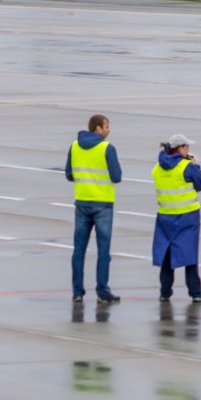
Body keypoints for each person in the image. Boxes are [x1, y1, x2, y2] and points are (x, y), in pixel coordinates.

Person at [66, 113, 122, 304]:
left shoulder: (74, 146)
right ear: (97, 128)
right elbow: (116, 176)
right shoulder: (107, 148)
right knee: (103, 251)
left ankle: (77, 292)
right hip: (103, 204)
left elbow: (69, 174)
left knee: (79, 250)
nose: (108, 129)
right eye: (106, 126)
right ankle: (102, 291)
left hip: (82, 202)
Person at [152, 134, 201, 301]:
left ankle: (165, 291)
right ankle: (195, 293)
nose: (189, 150)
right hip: (187, 216)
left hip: (165, 217)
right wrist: (195, 166)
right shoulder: (186, 167)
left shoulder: (157, 168)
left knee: (167, 255)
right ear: (181, 148)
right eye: (187, 147)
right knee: (189, 255)